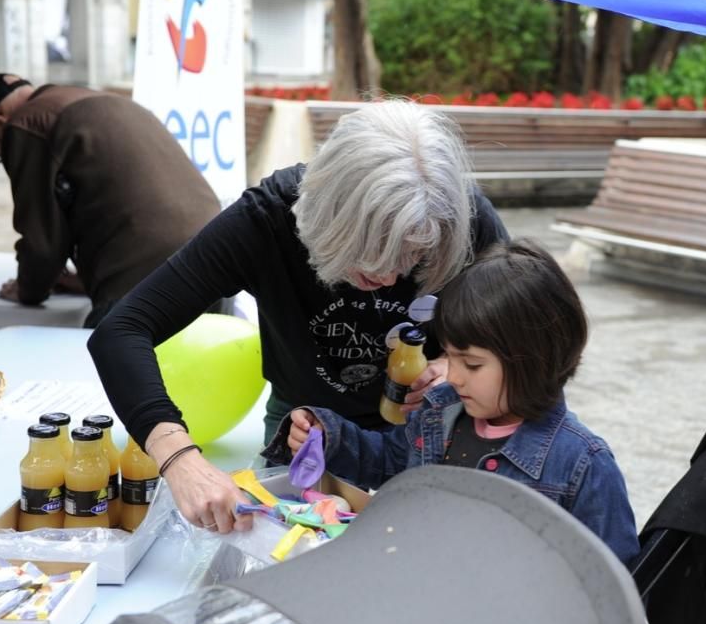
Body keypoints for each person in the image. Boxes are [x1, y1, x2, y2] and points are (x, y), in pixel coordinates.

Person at [88, 100, 509, 534]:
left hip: (438, 421)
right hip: (305, 429)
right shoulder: (266, 220)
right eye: (367, 256)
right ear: (325, 217)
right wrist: (179, 458)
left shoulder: (459, 219)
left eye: (411, 256)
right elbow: (121, 330)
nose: (387, 276)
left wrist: (455, 368)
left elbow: (524, 342)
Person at [271, 239, 639, 563]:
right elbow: (391, 462)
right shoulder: (440, 410)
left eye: (472, 364)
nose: (454, 375)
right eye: (450, 356)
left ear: (535, 360)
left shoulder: (583, 467)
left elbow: (612, 582)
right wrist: (328, 433)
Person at [0, 73, 220, 328]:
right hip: (214, 254)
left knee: (99, 361)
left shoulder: (26, 123)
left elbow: (41, 242)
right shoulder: (106, 102)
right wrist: (86, 279)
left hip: (144, 277)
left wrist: (27, 288)